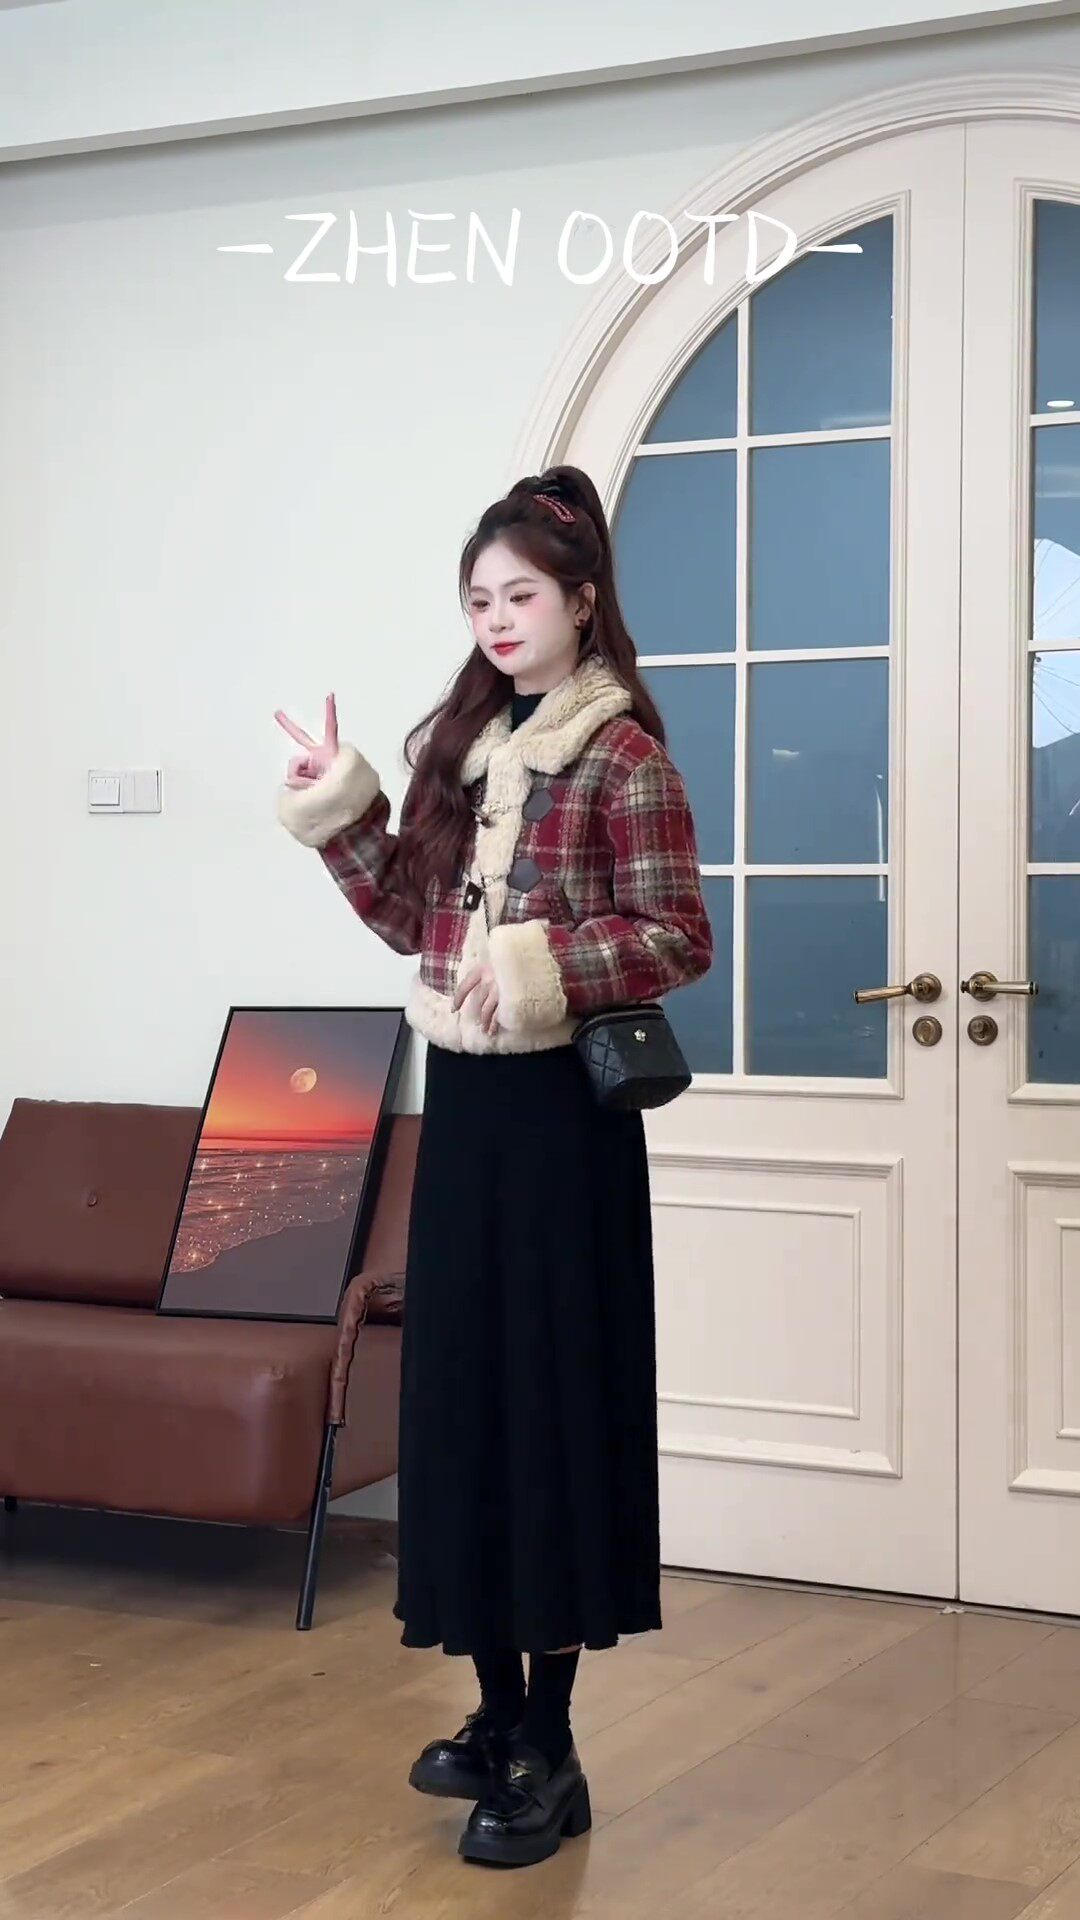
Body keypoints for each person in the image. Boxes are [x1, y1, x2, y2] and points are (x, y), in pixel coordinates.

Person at [274, 465, 712, 1870]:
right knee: (463, 1402)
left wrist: (532, 969)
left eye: (521, 594)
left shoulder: (624, 757)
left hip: (563, 1131)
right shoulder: (459, 749)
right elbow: (413, 917)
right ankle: (492, 1710)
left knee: (551, 1411)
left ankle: (549, 1747)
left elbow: (677, 937)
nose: (499, 619)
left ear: (582, 601)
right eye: (479, 601)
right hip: (463, 1113)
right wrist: (342, 809)